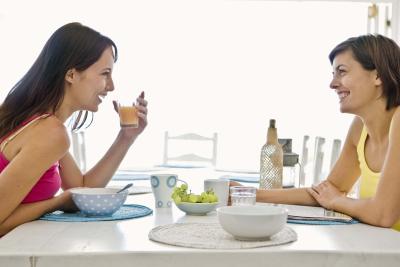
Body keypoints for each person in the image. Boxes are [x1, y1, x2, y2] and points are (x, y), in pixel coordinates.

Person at [234, 34, 400, 231]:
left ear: (378, 75)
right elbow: (325, 192)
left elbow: (383, 215)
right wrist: (249, 193)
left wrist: (337, 201)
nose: (333, 84)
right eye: (333, 74)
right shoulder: (360, 128)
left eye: (342, 72)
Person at [0, 22, 148, 235]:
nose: (111, 86)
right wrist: (56, 203)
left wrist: (126, 137)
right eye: (105, 73)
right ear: (71, 75)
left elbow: (80, 186)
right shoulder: (50, 132)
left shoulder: (40, 123)